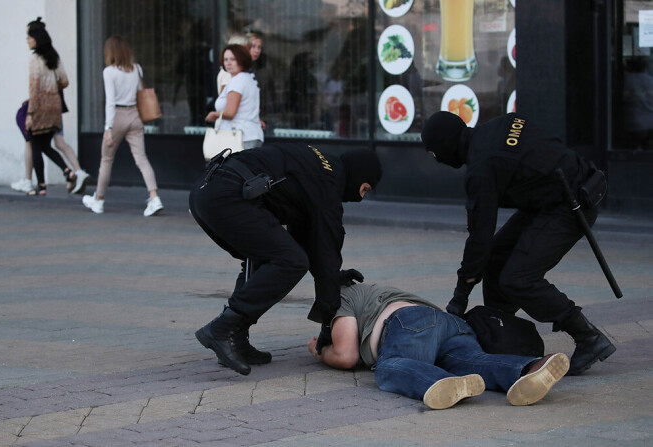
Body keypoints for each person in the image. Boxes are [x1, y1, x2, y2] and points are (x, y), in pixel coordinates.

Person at [420, 111, 616, 376]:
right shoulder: (501, 124)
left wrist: (459, 298)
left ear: (445, 149)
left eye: (435, 155)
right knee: (497, 259)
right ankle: (500, 333)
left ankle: (588, 337)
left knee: (518, 278)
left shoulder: (481, 169)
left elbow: (479, 239)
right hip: (551, 197)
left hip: (569, 205)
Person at [189, 144, 382, 376]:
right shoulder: (329, 185)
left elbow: (311, 245)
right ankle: (223, 328)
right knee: (291, 261)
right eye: (366, 189)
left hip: (206, 192)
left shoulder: (317, 168)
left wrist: (334, 277)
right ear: (359, 177)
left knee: (268, 257)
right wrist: (329, 323)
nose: (361, 196)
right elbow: (325, 253)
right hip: (228, 197)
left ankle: (236, 338)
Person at [308, 281, 569, 409]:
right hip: (451, 325)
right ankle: (531, 367)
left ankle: (438, 381)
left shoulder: (341, 295)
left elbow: (346, 355)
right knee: (473, 362)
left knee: (389, 367)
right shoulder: (376, 291)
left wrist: (320, 353)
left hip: (410, 323)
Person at [82, 35, 163, 216]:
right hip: (134, 115)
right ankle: (154, 197)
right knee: (141, 159)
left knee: (106, 160)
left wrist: (108, 128)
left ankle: (99, 200)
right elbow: (141, 92)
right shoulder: (136, 69)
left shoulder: (109, 72)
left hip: (117, 116)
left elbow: (110, 101)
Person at [24, 18, 88, 196]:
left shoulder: (34, 59)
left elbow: (34, 87)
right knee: (45, 145)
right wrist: (53, 88)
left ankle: (42, 186)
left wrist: (30, 113)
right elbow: (65, 81)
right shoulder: (54, 57)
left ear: (36, 39)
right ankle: (67, 172)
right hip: (55, 107)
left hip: (40, 106)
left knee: (36, 145)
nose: (27, 40)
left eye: (29, 37)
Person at [205, 44, 263, 150]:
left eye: (233, 59)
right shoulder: (249, 79)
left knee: (235, 166)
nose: (228, 63)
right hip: (251, 134)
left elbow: (230, 112)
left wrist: (214, 115)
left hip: (240, 136)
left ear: (242, 60)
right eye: (225, 59)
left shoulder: (237, 81)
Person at [11, 131, 90, 195]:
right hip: (52, 118)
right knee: (47, 146)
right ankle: (68, 171)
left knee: (36, 147)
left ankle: (40, 185)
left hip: (38, 118)